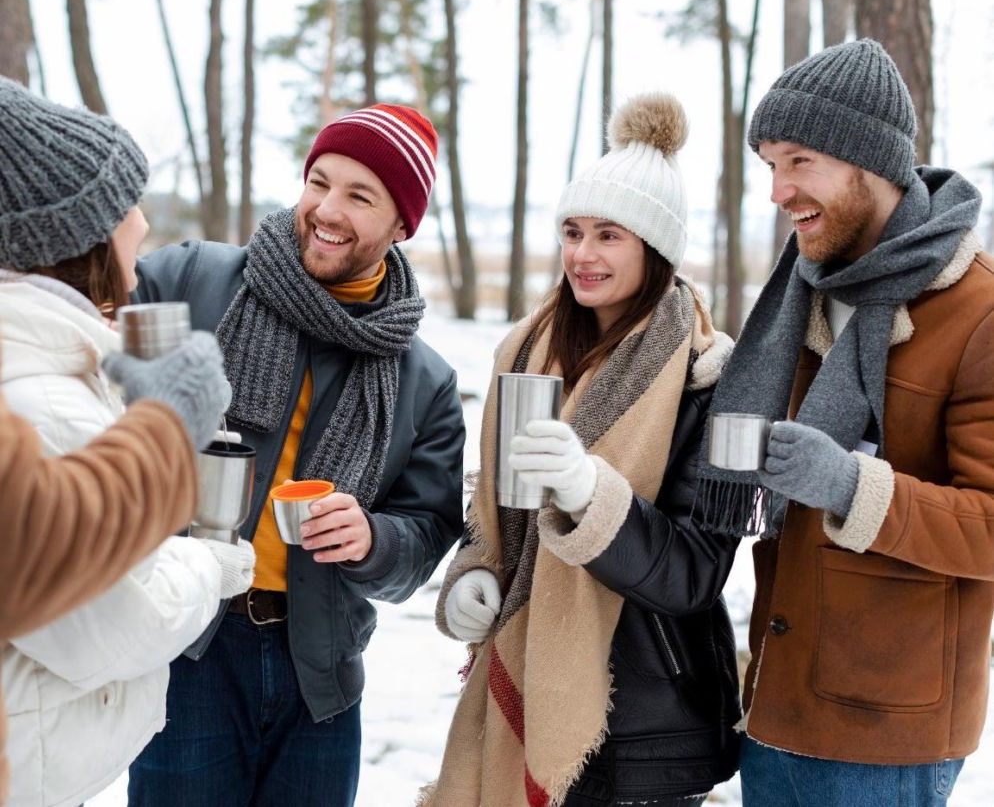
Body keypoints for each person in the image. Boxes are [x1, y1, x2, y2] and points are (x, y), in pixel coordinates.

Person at [127, 103, 465, 806]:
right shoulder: (193, 282)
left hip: (320, 673)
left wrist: (375, 537)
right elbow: (86, 334)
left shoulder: (423, 378)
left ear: (403, 224)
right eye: (320, 181)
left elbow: (428, 532)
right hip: (188, 647)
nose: (326, 210)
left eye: (359, 195)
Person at [694, 39, 994, 807]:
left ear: (869, 162)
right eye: (768, 165)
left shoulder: (977, 312)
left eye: (799, 161)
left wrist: (852, 486)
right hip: (776, 695)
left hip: (885, 729)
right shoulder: (804, 287)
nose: (777, 190)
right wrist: (719, 383)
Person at [422, 93, 740, 807]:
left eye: (609, 235)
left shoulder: (706, 379)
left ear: (654, 246)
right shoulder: (528, 350)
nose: (583, 255)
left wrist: (589, 496)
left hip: (644, 728)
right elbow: (496, 508)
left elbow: (694, 573)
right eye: (573, 231)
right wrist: (476, 570)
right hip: (521, 679)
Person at [0, 79, 256, 807]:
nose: (142, 226)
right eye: (125, 205)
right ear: (75, 236)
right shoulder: (37, 403)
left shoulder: (48, 370)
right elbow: (114, 624)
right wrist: (211, 557)